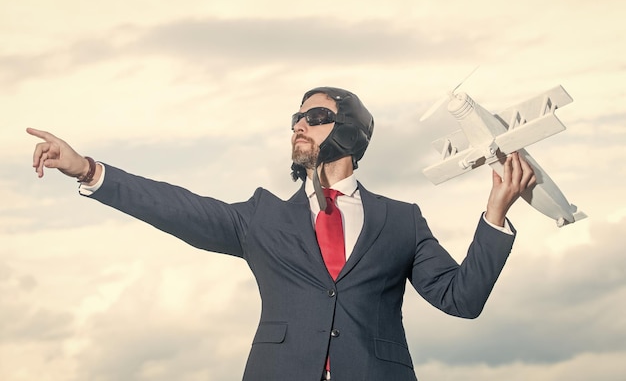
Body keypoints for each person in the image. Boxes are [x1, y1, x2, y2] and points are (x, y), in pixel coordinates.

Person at [27, 86, 535, 381]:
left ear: (351, 132)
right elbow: (179, 208)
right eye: (296, 117)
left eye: (316, 117)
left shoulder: (402, 220)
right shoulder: (263, 219)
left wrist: (495, 213)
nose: (299, 125)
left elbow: (460, 299)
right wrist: (90, 170)